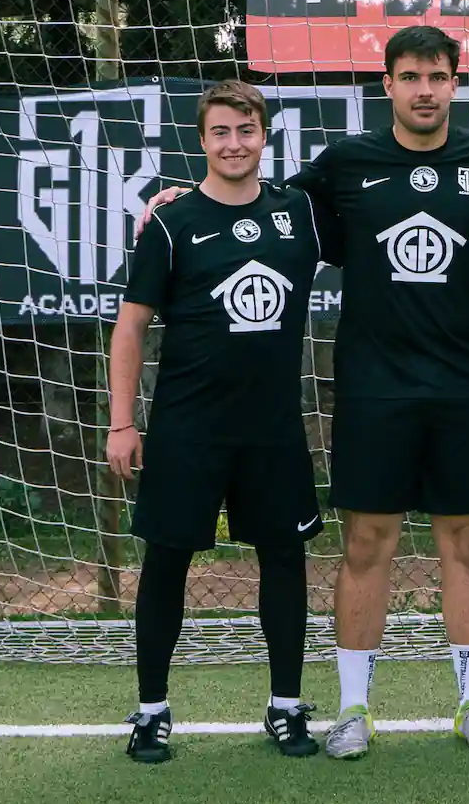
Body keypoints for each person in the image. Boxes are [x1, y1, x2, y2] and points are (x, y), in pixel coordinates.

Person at [144, 25, 469, 758]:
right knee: (366, 543)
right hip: (374, 386)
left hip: (465, 382)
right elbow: (253, 203)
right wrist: (190, 195)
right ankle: (352, 708)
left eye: (436, 76)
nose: (423, 89)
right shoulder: (345, 165)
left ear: (454, 83)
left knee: (466, 543)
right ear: (387, 84)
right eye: (408, 76)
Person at [110, 79, 326, 763]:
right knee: (167, 561)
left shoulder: (301, 215)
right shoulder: (171, 221)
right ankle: (150, 711)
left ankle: (286, 707)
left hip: (271, 429)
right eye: (221, 132)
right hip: (186, 427)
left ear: (265, 135)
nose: (235, 143)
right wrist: (122, 422)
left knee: (285, 559)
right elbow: (130, 326)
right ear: (201, 141)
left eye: (246, 129)